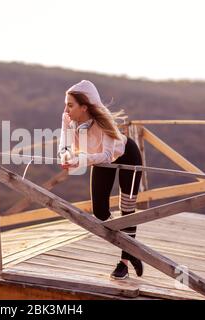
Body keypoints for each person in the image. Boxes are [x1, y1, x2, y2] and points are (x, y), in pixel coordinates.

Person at [58, 79, 144, 280]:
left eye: (70, 105)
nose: (66, 109)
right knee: (100, 211)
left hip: (127, 155)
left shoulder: (103, 122)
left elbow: (106, 155)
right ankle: (132, 249)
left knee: (127, 210)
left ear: (84, 107)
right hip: (98, 160)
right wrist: (65, 156)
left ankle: (124, 261)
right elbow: (65, 144)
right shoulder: (67, 119)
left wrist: (81, 159)